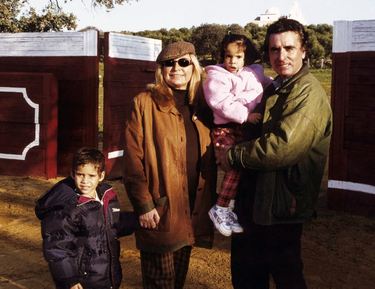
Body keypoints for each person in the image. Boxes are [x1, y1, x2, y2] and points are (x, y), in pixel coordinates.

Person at [215, 19, 333, 288]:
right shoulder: (273, 87)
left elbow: (281, 147)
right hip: (254, 200)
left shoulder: (308, 92)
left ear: (304, 51)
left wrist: (232, 156)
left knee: (286, 276)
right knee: (247, 276)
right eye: (274, 50)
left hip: (282, 207)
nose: (282, 56)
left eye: (289, 48)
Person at [123, 41, 217, 289]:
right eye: (169, 63)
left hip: (192, 208)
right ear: (161, 69)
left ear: (194, 65)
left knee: (177, 280)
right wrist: (143, 205)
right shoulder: (145, 102)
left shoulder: (206, 104)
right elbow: (133, 159)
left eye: (183, 62)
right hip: (160, 208)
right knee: (159, 282)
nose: (176, 68)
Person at [35, 147, 137, 289]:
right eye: (80, 174)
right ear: (72, 173)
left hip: (107, 277)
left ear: (101, 176)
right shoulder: (65, 208)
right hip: (82, 281)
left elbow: (113, 224)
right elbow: (58, 246)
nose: (85, 181)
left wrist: (137, 219)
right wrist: (69, 279)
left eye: (91, 175)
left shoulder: (107, 196)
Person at [204, 34, 273, 237]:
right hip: (225, 128)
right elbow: (222, 103)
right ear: (222, 56)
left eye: (239, 56)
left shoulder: (251, 73)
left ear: (246, 57)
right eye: (228, 56)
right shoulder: (216, 78)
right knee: (234, 165)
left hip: (241, 128)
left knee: (244, 166)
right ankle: (220, 208)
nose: (233, 61)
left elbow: (267, 83)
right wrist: (246, 115)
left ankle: (230, 208)